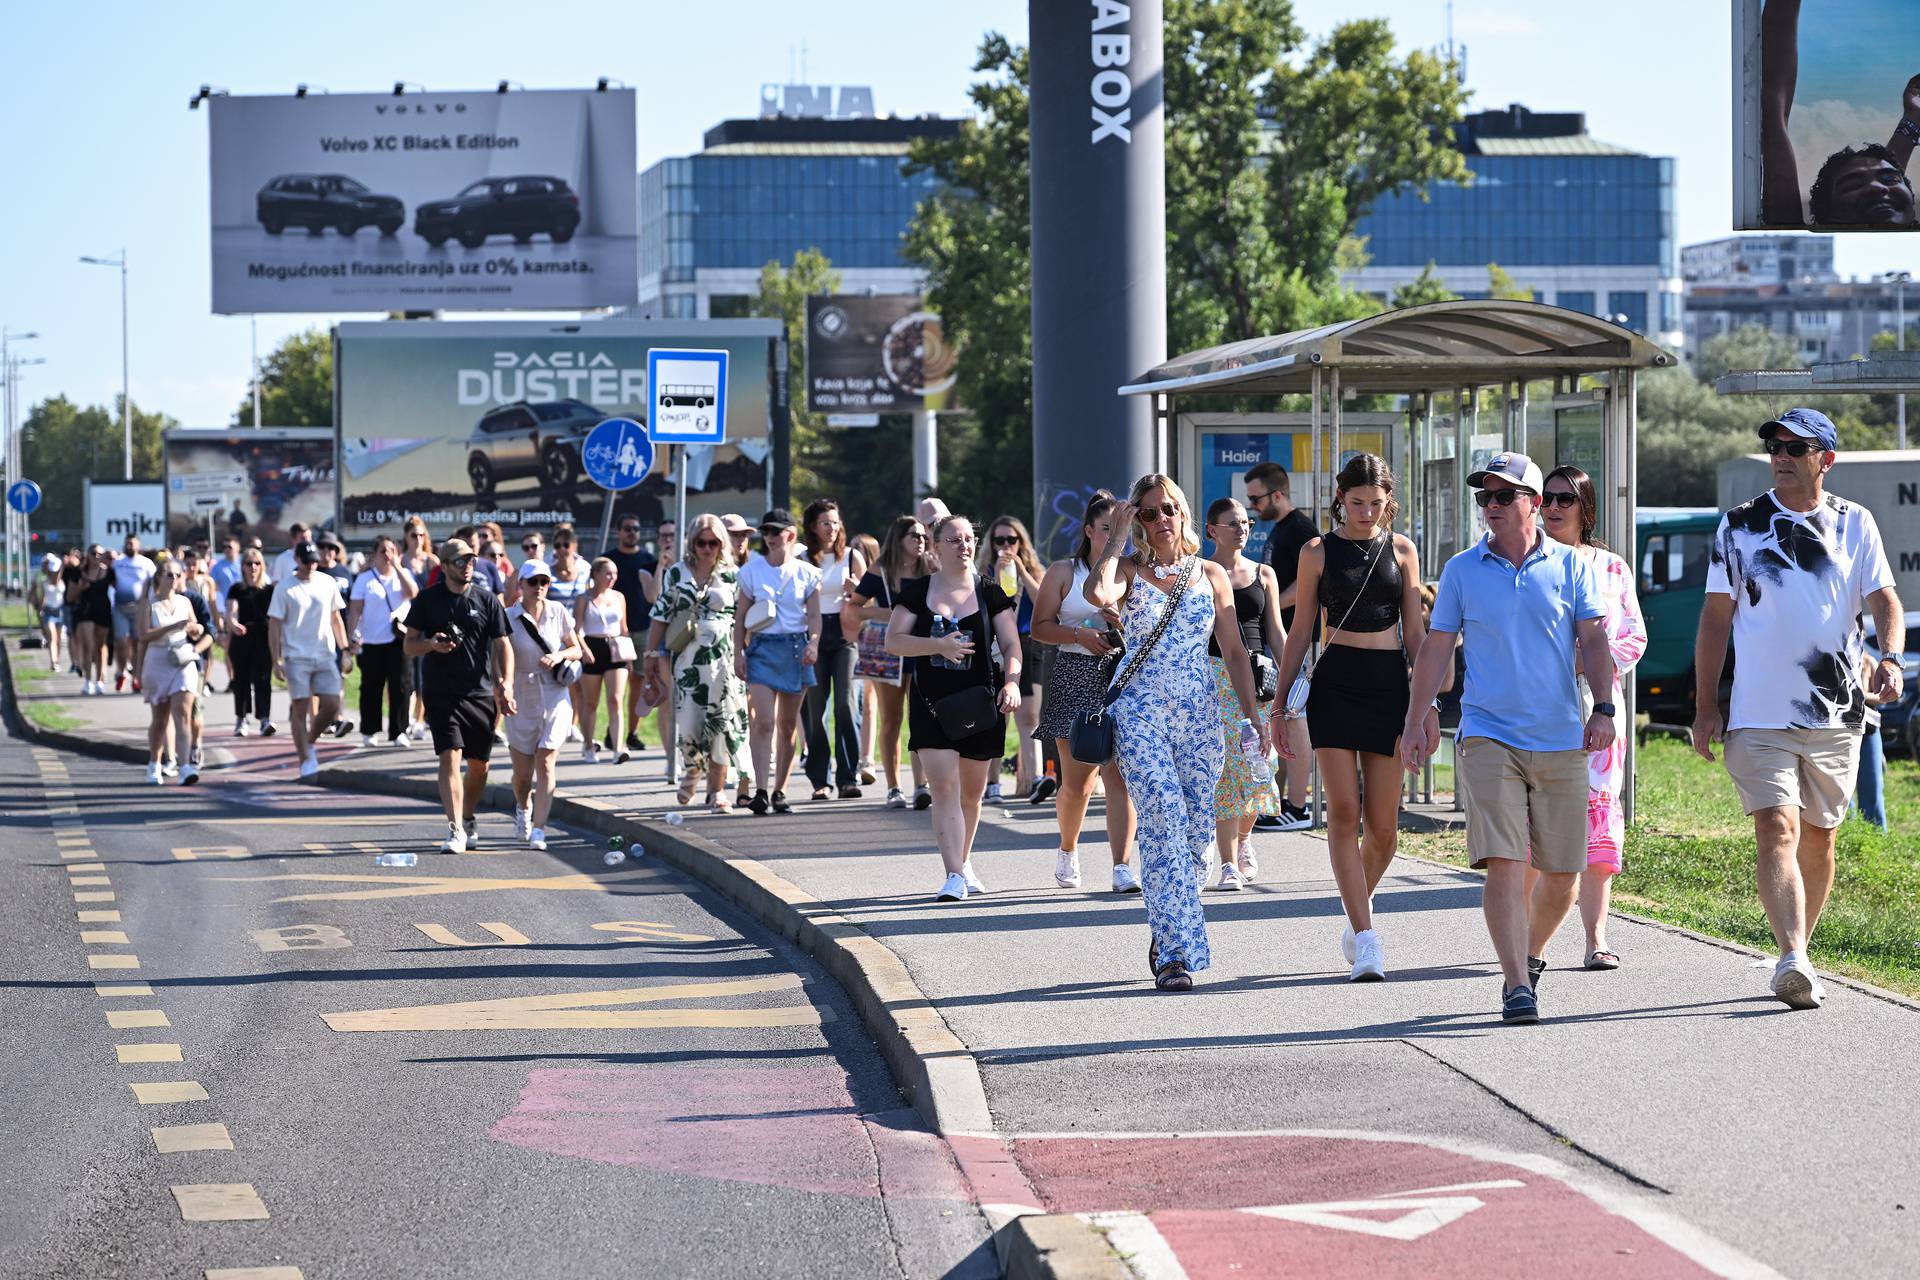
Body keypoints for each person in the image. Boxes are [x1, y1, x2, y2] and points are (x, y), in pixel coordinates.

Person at [1692, 408, 1904, 1010]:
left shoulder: (1854, 524)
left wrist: (1890, 658)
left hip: (1837, 713)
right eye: (1773, 446)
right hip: (1759, 714)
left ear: (1825, 460)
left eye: (1795, 447)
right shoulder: (1739, 525)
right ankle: (1791, 955)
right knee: (1776, 827)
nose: (1780, 455)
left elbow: (1884, 598)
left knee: (1820, 839)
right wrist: (1707, 706)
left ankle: (1798, 952)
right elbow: (1715, 619)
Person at [1402, 452, 1616, 1025]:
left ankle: (1530, 953)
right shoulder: (1463, 570)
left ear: (1534, 504)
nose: (1490, 507)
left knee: (1564, 872)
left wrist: (1605, 708)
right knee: (1503, 860)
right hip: (1487, 734)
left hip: (1560, 736)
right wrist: (1416, 717)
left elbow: (1594, 642)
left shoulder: (1574, 566)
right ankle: (1517, 986)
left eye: (1502, 497)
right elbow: (1438, 646)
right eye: (1483, 498)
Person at [1087, 478, 1266, 990]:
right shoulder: (1127, 569)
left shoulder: (1210, 573)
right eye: (1147, 513)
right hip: (1140, 710)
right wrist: (1118, 534)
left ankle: (1168, 921)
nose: (1160, 520)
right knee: (1162, 813)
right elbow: (1096, 593)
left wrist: (1253, 715)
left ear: (1183, 513)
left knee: (1194, 835)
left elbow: (1232, 651)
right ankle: (1174, 954)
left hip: (1200, 714)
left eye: (1167, 509)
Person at [1274, 455, 1427, 980]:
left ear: (1389, 502)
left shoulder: (1402, 549)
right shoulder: (1317, 551)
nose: (1366, 512)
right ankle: (1366, 936)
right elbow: (1300, 633)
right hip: (1334, 684)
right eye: (1356, 502)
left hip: (1387, 684)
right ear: (1340, 498)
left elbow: (1416, 635)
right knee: (1344, 812)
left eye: (1376, 504)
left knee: (1384, 828)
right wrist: (1277, 706)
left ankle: (1354, 906)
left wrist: (1424, 704)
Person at [1531, 465, 1647, 971]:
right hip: (1539, 710)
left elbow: (1635, 637)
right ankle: (1529, 941)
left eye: (1565, 499)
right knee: (1542, 829)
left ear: (1585, 509)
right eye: (1547, 499)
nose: (1554, 508)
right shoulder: (1527, 560)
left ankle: (1595, 938)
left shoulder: (1612, 567)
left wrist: (1589, 663)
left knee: (1599, 828)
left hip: (1601, 713)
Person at [886, 514, 1023, 901]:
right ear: (936, 545)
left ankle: (962, 864)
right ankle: (953, 874)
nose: (964, 545)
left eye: (968, 539)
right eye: (954, 539)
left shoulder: (990, 591)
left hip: (981, 702)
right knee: (944, 788)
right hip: (932, 704)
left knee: (971, 796)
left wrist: (1011, 682)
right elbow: (894, 642)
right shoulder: (917, 592)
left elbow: (1012, 646)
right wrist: (938, 646)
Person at [1030, 491, 1140, 892]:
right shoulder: (1064, 571)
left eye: (1122, 529)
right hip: (1074, 670)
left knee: (1120, 777)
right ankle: (1068, 848)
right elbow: (1039, 627)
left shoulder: (1132, 571)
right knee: (1078, 783)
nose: (1116, 537)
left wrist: (1119, 623)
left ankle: (1122, 866)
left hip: (1119, 673)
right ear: (1089, 531)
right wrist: (1079, 633)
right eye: (1108, 529)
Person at [1760, 0, 1919, 228]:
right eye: (1852, 184)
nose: (1877, 188)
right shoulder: (1789, 231)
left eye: (1890, 179)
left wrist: (1912, 119)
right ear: (1825, 217)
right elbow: (1773, 103)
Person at [405, 538, 515, 855]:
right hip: (440, 692)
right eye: (461, 561)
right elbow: (409, 644)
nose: (468, 566)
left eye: (471, 560)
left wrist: (505, 683)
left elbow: (503, 644)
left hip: (480, 692)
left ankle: (467, 816)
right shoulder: (427, 601)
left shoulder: (487, 600)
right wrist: (431, 644)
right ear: (445, 565)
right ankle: (455, 829)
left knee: (480, 766)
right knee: (450, 755)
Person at [1201, 496, 1288, 894]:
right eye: (1232, 523)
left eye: (1246, 522)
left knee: (1259, 764)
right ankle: (1227, 864)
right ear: (1211, 530)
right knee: (1226, 768)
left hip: (1259, 677)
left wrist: (1294, 676)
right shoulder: (1201, 573)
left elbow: (1275, 631)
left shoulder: (1263, 574)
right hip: (1215, 674)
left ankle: (1243, 837)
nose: (1241, 529)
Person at [645, 513, 750, 811]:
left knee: (720, 724)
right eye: (701, 543)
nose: (707, 548)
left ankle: (717, 790)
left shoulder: (733, 574)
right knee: (690, 723)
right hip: (688, 660)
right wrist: (651, 656)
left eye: (713, 543)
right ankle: (692, 769)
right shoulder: (677, 573)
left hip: (723, 661)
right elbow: (661, 614)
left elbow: (742, 619)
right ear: (692, 542)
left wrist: (745, 654)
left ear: (721, 543)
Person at [733, 509, 822, 815]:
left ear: (790, 535)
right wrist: (737, 653)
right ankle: (760, 789)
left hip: (796, 647)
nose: (770, 537)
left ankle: (780, 790)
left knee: (787, 725)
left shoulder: (807, 573)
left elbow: (814, 617)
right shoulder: (751, 572)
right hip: (762, 648)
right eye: (767, 532)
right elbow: (741, 618)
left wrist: (814, 643)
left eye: (776, 531)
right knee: (763, 721)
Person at [1242, 461, 1314, 831]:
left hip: (1299, 640)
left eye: (1256, 499)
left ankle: (1300, 808)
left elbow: (1309, 584)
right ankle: (1281, 803)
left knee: (1295, 718)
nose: (1253, 506)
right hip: (1282, 638)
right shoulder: (1280, 531)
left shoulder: (1300, 530)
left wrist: (1270, 601)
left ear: (1278, 494)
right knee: (1283, 717)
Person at [844, 516, 933, 811]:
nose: (921, 540)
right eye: (914, 535)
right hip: (889, 654)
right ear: (898, 539)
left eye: (923, 535)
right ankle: (894, 786)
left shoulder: (931, 569)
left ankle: (922, 785)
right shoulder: (880, 571)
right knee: (892, 719)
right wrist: (891, 614)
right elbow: (854, 608)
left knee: (921, 718)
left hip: (923, 650)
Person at [504, 561, 583, 851]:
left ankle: (539, 828)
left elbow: (576, 648)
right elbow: (500, 657)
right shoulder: (508, 617)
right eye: (533, 582)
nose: (539, 587)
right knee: (523, 773)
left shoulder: (558, 611)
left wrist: (560, 655)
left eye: (544, 582)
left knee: (547, 759)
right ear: (520, 585)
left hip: (554, 692)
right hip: (521, 694)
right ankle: (523, 808)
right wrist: (504, 689)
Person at [267, 540, 353, 779]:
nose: (312, 565)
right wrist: (276, 659)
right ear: (297, 561)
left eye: (315, 560)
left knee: (333, 704)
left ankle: (310, 741)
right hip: (296, 656)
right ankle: (305, 758)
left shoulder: (327, 582)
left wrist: (345, 648)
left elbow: (336, 617)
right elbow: (274, 625)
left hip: (325, 653)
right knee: (301, 707)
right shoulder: (285, 588)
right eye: (307, 561)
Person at [801, 498, 867, 800]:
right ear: (813, 527)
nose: (832, 528)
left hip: (845, 635)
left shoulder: (852, 556)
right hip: (813, 634)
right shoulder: (803, 558)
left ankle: (848, 776)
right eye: (825, 522)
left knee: (845, 704)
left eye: (835, 522)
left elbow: (871, 600)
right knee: (816, 710)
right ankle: (820, 780)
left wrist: (857, 591)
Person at [981, 516, 1048, 803]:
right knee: (998, 718)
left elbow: (1043, 599)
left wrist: (1020, 568)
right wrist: (997, 573)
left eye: (1012, 540)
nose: (1006, 546)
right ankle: (992, 783)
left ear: (1021, 542)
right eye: (1000, 540)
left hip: (1028, 644)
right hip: (995, 646)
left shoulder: (1033, 569)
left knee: (1030, 717)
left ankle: (1035, 779)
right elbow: (988, 603)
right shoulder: (983, 571)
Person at [135, 560, 205, 786]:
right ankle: (154, 763)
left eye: (177, 575)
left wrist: (196, 629)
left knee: (183, 714)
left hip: (182, 659)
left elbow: (195, 628)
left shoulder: (185, 602)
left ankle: (184, 766)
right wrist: (138, 671)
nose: (174, 579)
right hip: (157, 661)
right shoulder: (149, 604)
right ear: (159, 578)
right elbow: (143, 636)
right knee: (160, 720)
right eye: (169, 575)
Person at [348, 535, 419, 748]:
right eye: (383, 551)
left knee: (401, 686)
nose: (387, 555)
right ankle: (370, 730)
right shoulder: (365, 579)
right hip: (371, 642)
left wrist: (397, 567)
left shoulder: (403, 574)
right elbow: (355, 611)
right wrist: (351, 638)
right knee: (371, 686)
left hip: (398, 641)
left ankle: (399, 731)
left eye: (391, 550)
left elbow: (413, 593)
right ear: (375, 555)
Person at [603, 514, 657, 756]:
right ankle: (614, 730)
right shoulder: (609, 560)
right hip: (616, 632)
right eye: (627, 529)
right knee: (617, 686)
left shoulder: (648, 560)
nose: (632, 533)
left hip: (644, 628)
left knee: (640, 682)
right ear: (618, 531)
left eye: (636, 529)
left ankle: (632, 733)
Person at [575, 557, 632, 765]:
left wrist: (630, 655)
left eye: (614, 574)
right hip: (593, 646)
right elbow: (577, 629)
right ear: (596, 574)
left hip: (616, 648)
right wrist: (583, 648)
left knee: (616, 700)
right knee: (590, 702)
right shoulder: (584, 599)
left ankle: (618, 748)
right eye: (607, 573)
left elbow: (624, 627)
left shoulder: (619, 597)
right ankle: (588, 745)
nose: (612, 578)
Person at [226, 548, 276, 737]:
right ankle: (241, 718)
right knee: (242, 680)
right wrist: (233, 624)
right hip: (243, 638)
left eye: (257, 563)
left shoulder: (270, 590)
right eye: (249, 564)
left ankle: (264, 719)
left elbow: (276, 616)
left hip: (263, 638)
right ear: (243, 567)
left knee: (263, 679)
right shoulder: (237, 589)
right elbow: (231, 612)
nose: (253, 567)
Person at [643, 518, 680, 774]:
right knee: (667, 699)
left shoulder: (689, 566)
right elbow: (653, 597)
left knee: (687, 700)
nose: (667, 539)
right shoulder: (648, 567)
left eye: (672, 535)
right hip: (664, 638)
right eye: (663, 535)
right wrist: (661, 566)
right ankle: (671, 760)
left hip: (687, 636)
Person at [399, 517, 439, 742]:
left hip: (427, 622)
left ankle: (420, 719)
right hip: (405, 622)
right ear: (406, 537)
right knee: (406, 674)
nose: (418, 539)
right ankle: (407, 719)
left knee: (424, 672)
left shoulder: (431, 561)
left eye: (422, 535)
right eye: (414, 535)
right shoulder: (401, 561)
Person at [849, 531, 883, 788]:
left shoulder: (880, 574)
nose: (854, 554)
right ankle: (851, 758)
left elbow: (881, 605)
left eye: (859, 550)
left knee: (869, 703)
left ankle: (867, 759)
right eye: (852, 549)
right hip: (850, 639)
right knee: (850, 703)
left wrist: (857, 591)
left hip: (873, 639)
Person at [111, 534, 156, 693]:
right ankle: (122, 671)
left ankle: (137, 677)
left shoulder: (146, 563)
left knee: (138, 642)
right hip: (120, 606)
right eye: (127, 543)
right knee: (121, 641)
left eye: (132, 543)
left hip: (139, 608)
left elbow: (154, 584)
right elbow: (111, 580)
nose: (129, 546)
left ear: (138, 545)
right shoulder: (118, 562)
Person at [72, 547, 114, 695]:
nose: (96, 556)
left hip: (102, 611)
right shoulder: (79, 572)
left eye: (100, 554)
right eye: (93, 553)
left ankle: (100, 680)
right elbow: (70, 596)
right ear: (87, 555)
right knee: (87, 645)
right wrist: (80, 588)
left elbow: (117, 588)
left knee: (100, 646)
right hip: (85, 611)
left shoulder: (109, 571)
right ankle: (87, 681)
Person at [37, 554, 66, 672]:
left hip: (60, 611)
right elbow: (42, 598)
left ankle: (57, 660)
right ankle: (53, 662)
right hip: (48, 611)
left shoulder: (63, 581)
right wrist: (41, 610)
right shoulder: (44, 582)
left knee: (58, 639)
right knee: (52, 637)